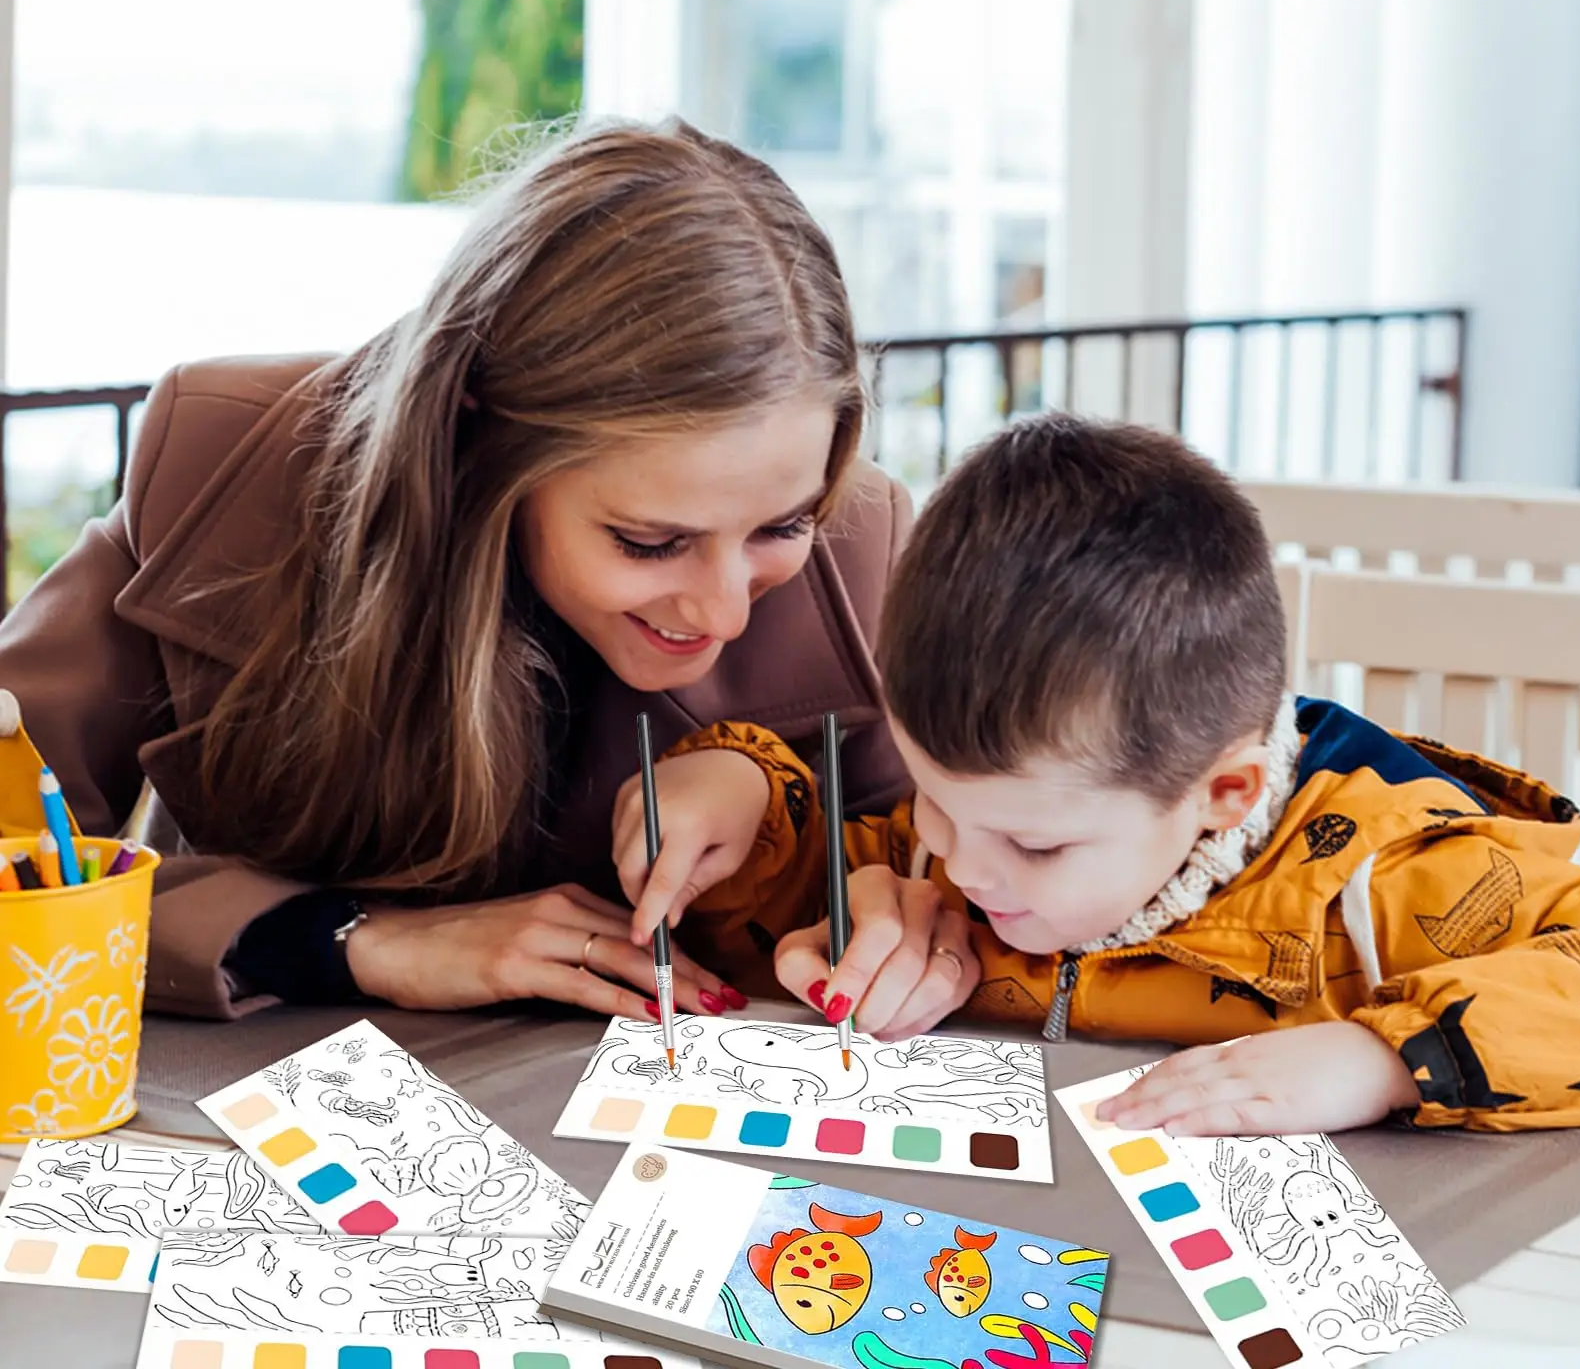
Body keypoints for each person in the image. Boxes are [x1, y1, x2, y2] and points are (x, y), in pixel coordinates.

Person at [0, 118, 910, 1021]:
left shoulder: (861, 549)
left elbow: (954, 866)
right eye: (649, 541)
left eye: (782, 525)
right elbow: (19, 849)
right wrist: (348, 941)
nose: (725, 613)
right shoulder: (223, 468)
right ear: (481, 430)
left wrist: (908, 914)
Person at [665, 415, 1580, 1132]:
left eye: (1035, 844)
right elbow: (776, 926)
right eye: (935, 805)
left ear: (1222, 795)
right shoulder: (970, 830)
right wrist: (739, 795)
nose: (964, 869)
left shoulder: (1397, 877)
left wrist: (1382, 1061)